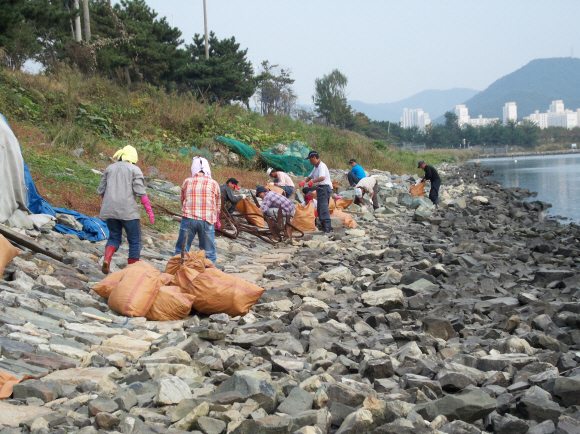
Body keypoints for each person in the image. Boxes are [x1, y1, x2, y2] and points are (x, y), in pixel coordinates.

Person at [98, 145, 154, 274]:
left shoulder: (109, 168)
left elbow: (101, 190)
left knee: (114, 238)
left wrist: (109, 204)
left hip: (110, 211)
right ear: (133, 157)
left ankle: (107, 258)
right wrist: (149, 212)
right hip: (129, 212)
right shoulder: (135, 170)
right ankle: (131, 270)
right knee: (134, 241)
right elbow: (140, 193)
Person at [174, 157, 221, 264]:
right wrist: (216, 220)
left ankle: (176, 274)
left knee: (181, 251)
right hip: (207, 221)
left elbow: (182, 200)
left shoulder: (187, 181)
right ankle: (208, 276)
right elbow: (218, 205)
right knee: (209, 253)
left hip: (189, 219)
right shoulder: (214, 183)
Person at [299, 150, 333, 234]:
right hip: (320, 188)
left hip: (324, 188)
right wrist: (304, 181)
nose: (310, 161)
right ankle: (323, 226)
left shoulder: (321, 166)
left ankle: (327, 228)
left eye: (310, 159)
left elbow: (322, 178)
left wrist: (312, 182)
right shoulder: (316, 167)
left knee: (323, 208)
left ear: (314, 158)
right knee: (320, 207)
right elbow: (310, 176)